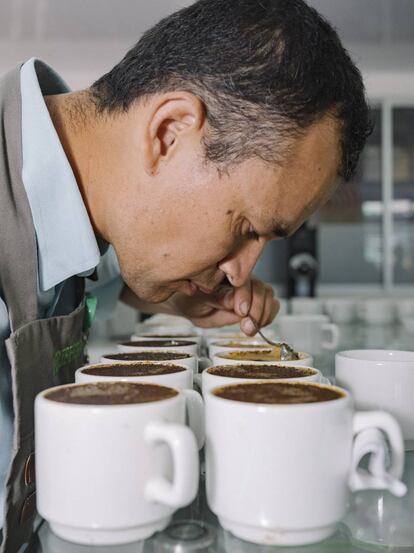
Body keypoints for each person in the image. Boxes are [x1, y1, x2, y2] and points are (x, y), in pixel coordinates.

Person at [0, 0, 371, 549]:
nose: (242, 271)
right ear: (171, 131)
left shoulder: (79, 212)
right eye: (247, 226)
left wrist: (159, 294)